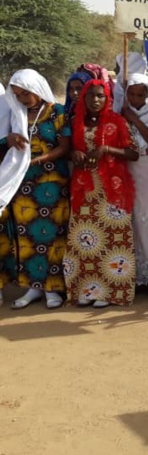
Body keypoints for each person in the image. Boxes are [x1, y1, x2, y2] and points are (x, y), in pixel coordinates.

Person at [64, 79, 138, 307]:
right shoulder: (74, 121)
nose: (95, 100)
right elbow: (68, 150)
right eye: (91, 95)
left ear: (107, 98)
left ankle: (111, 292)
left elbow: (133, 153)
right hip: (85, 187)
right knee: (84, 240)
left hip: (112, 189)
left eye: (100, 96)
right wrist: (74, 154)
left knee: (113, 239)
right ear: (83, 98)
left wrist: (106, 149)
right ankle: (87, 289)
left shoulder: (117, 121)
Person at [0, 70, 70, 310]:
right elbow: (3, 141)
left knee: (51, 236)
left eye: (26, 93)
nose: (23, 99)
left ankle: (53, 289)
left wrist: (37, 160)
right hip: (23, 184)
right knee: (27, 237)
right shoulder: (15, 113)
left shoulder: (57, 112)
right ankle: (33, 288)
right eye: (18, 95)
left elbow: (65, 147)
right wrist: (9, 139)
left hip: (52, 182)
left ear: (37, 88)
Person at [119, 73, 148, 292]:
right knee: (134, 221)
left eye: (141, 94)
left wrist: (133, 119)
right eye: (132, 94)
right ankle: (138, 274)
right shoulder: (119, 109)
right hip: (127, 171)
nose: (136, 99)